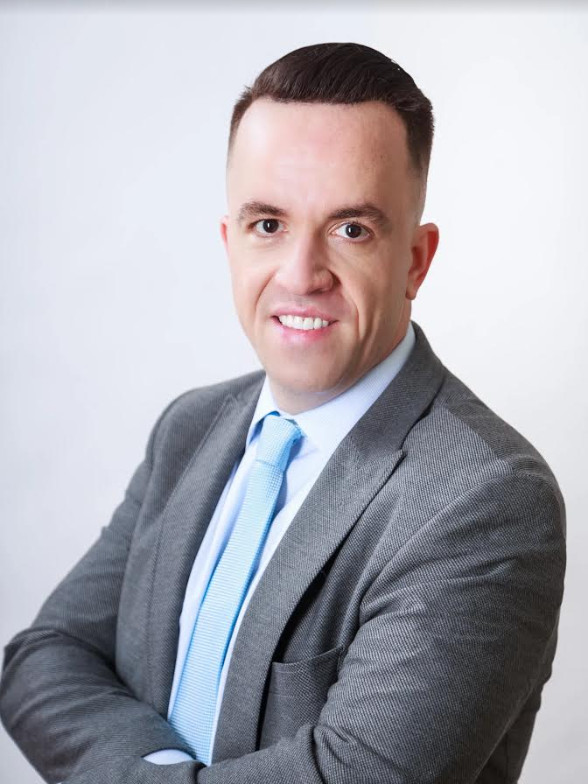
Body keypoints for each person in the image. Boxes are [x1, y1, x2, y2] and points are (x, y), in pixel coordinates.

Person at [0, 42, 565, 784]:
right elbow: (42, 659)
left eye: (351, 228)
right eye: (269, 224)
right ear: (231, 243)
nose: (301, 275)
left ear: (417, 262)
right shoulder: (190, 429)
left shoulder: (485, 498)